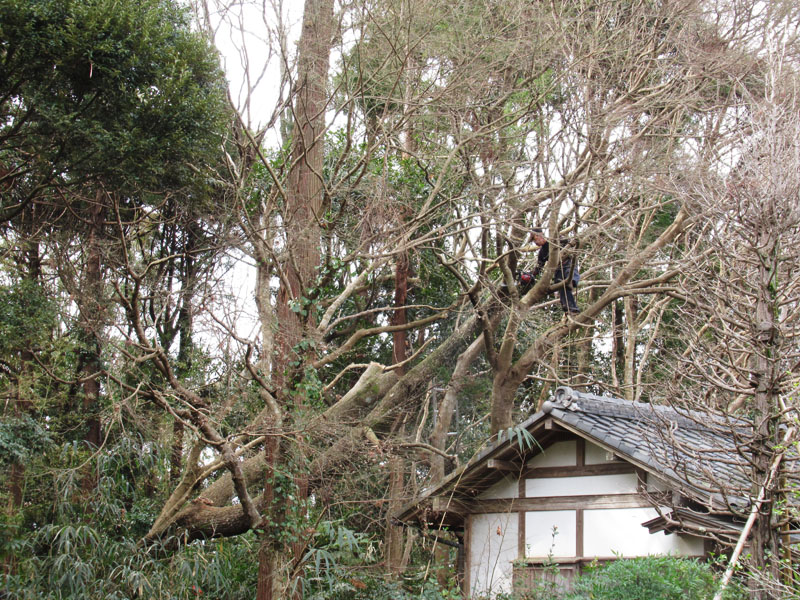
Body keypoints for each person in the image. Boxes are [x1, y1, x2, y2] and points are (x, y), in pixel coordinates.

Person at [530, 229, 580, 314]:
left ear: (540, 235)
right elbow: (539, 266)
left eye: (535, 239)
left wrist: (571, 243)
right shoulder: (542, 252)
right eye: (534, 241)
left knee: (570, 273)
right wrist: (532, 274)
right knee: (560, 286)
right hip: (558, 269)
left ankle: (572, 282)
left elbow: (570, 241)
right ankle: (570, 308)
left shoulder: (555, 240)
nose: (535, 242)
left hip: (567, 262)